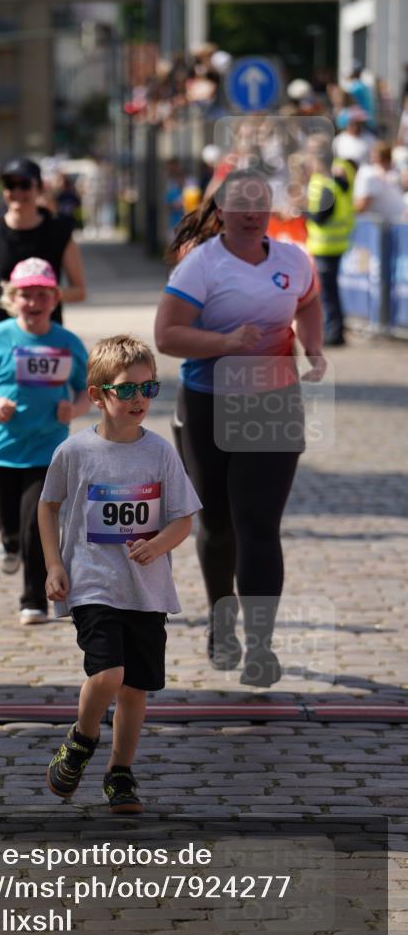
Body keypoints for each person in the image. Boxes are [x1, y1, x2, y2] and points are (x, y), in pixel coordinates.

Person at [154, 169, 327, 689]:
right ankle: (221, 619)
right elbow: (167, 336)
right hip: (208, 400)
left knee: (259, 524)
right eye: (242, 204)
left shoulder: (294, 261)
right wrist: (224, 342)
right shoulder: (201, 266)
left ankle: (261, 646)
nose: (253, 212)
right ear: (222, 212)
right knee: (220, 523)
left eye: (262, 203)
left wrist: (312, 346)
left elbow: (311, 301)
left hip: (273, 399)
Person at [38, 335, 201, 813]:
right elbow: (48, 507)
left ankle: (120, 772)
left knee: (135, 688)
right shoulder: (74, 452)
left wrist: (158, 545)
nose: (140, 400)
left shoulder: (160, 452)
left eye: (149, 388)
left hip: (146, 590)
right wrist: (53, 564)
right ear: (97, 395)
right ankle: (81, 740)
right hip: (92, 582)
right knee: (108, 673)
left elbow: (184, 517)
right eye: (127, 389)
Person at [0, 257, 89, 625]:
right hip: (2, 449)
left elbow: (86, 389)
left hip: (47, 448)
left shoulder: (67, 343)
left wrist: (74, 409)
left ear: (55, 299)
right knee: (11, 524)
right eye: (25, 296)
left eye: (42, 296)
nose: (33, 303)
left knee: (38, 521)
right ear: (12, 299)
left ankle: (33, 598)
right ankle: (8, 542)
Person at [0, 158, 86, 332]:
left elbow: (79, 290)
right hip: (0, 331)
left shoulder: (59, 231)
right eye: (10, 185)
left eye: (25, 185)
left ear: (39, 188)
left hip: (45, 334)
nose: (17, 191)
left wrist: (42, 295)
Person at [305, 138, 356, 346]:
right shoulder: (338, 181)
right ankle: (336, 331)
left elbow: (319, 216)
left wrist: (303, 210)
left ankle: (334, 333)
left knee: (328, 293)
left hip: (325, 245)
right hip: (335, 244)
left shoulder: (325, 185)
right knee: (330, 291)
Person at [354, 142, 405, 221]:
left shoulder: (369, 174)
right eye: (373, 156)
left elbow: (362, 206)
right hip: (392, 222)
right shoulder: (369, 172)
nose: (373, 159)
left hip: (397, 223)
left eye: (377, 156)